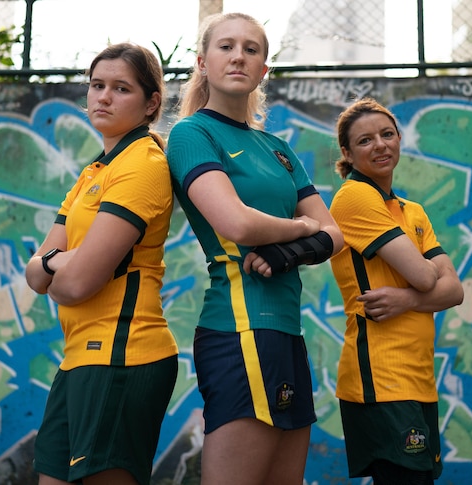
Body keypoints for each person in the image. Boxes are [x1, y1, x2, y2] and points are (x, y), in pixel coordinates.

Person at [165, 12, 344, 485]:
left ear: (265, 69)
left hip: (286, 330)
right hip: (239, 327)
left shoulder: (278, 146)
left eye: (251, 48)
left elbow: (336, 235)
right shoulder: (191, 134)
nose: (238, 56)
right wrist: (304, 227)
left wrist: (289, 251)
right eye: (226, 46)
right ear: (202, 62)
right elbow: (236, 222)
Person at [26, 43, 178, 485]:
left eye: (120, 88)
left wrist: (56, 266)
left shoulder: (144, 164)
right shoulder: (94, 171)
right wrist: (63, 262)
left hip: (123, 355)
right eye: (96, 86)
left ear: (151, 103)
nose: (103, 97)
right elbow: (36, 272)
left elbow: (73, 285)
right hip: (78, 357)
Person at [328, 97, 464, 485]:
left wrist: (405, 300)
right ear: (347, 154)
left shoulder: (412, 210)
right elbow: (427, 277)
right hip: (380, 379)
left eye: (387, 135)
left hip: (419, 378)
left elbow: (454, 290)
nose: (381, 145)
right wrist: (423, 282)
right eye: (366, 140)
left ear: (400, 139)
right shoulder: (355, 197)